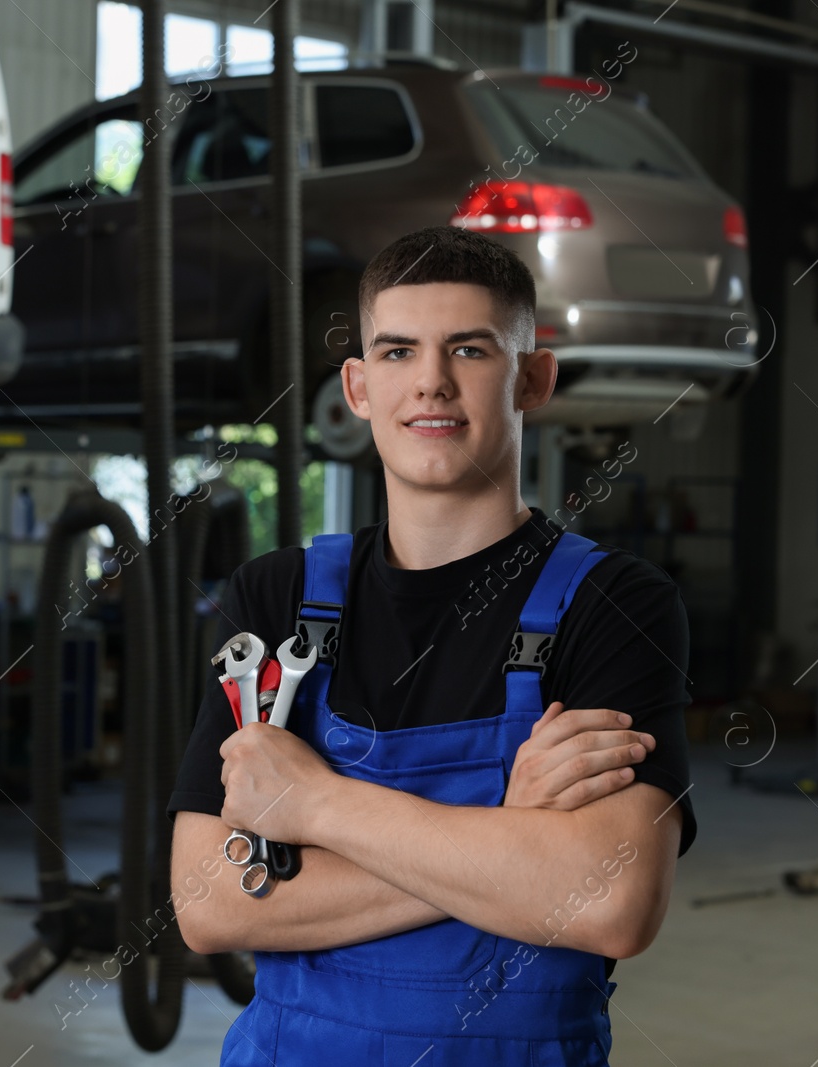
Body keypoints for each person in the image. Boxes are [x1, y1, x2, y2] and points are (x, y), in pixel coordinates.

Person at [167, 225, 695, 1066]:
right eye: (399, 351)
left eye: (471, 350)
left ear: (534, 377)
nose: (432, 383)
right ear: (358, 385)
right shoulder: (273, 596)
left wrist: (316, 807)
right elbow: (208, 905)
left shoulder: (615, 605)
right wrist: (511, 842)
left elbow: (611, 902)